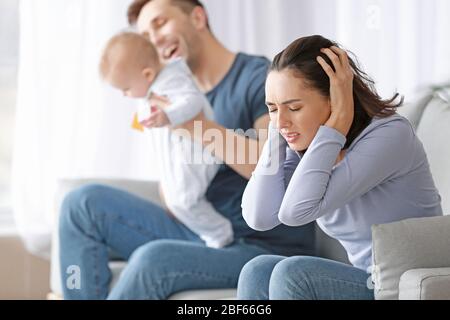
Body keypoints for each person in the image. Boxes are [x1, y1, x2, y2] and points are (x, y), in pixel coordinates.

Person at [59, 0, 315, 300]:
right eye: (144, 34)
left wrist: (194, 124)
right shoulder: (171, 91)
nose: (153, 39)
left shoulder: (259, 78)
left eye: (160, 23)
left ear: (197, 17)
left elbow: (276, 171)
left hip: (257, 244)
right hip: (200, 230)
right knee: (81, 204)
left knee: (154, 260)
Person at [237, 35, 443, 300]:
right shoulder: (307, 146)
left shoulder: (390, 136)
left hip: (401, 287)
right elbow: (259, 217)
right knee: (257, 270)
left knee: (293, 273)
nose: (282, 120)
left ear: (336, 98)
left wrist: (337, 123)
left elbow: (294, 213)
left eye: (294, 107)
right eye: (272, 108)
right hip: (365, 281)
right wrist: (277, 133)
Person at [99, 31, 233, 249]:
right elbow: (147, 108)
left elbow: (192, 102)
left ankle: (219, 233)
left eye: (126, 89)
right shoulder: (151, 88)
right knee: (175, 200)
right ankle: (209, 235)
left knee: (184, 200)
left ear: (148, 74)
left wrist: (167, 115)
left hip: (198, 152)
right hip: (179, 155)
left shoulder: (172, 80)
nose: (125, 95)